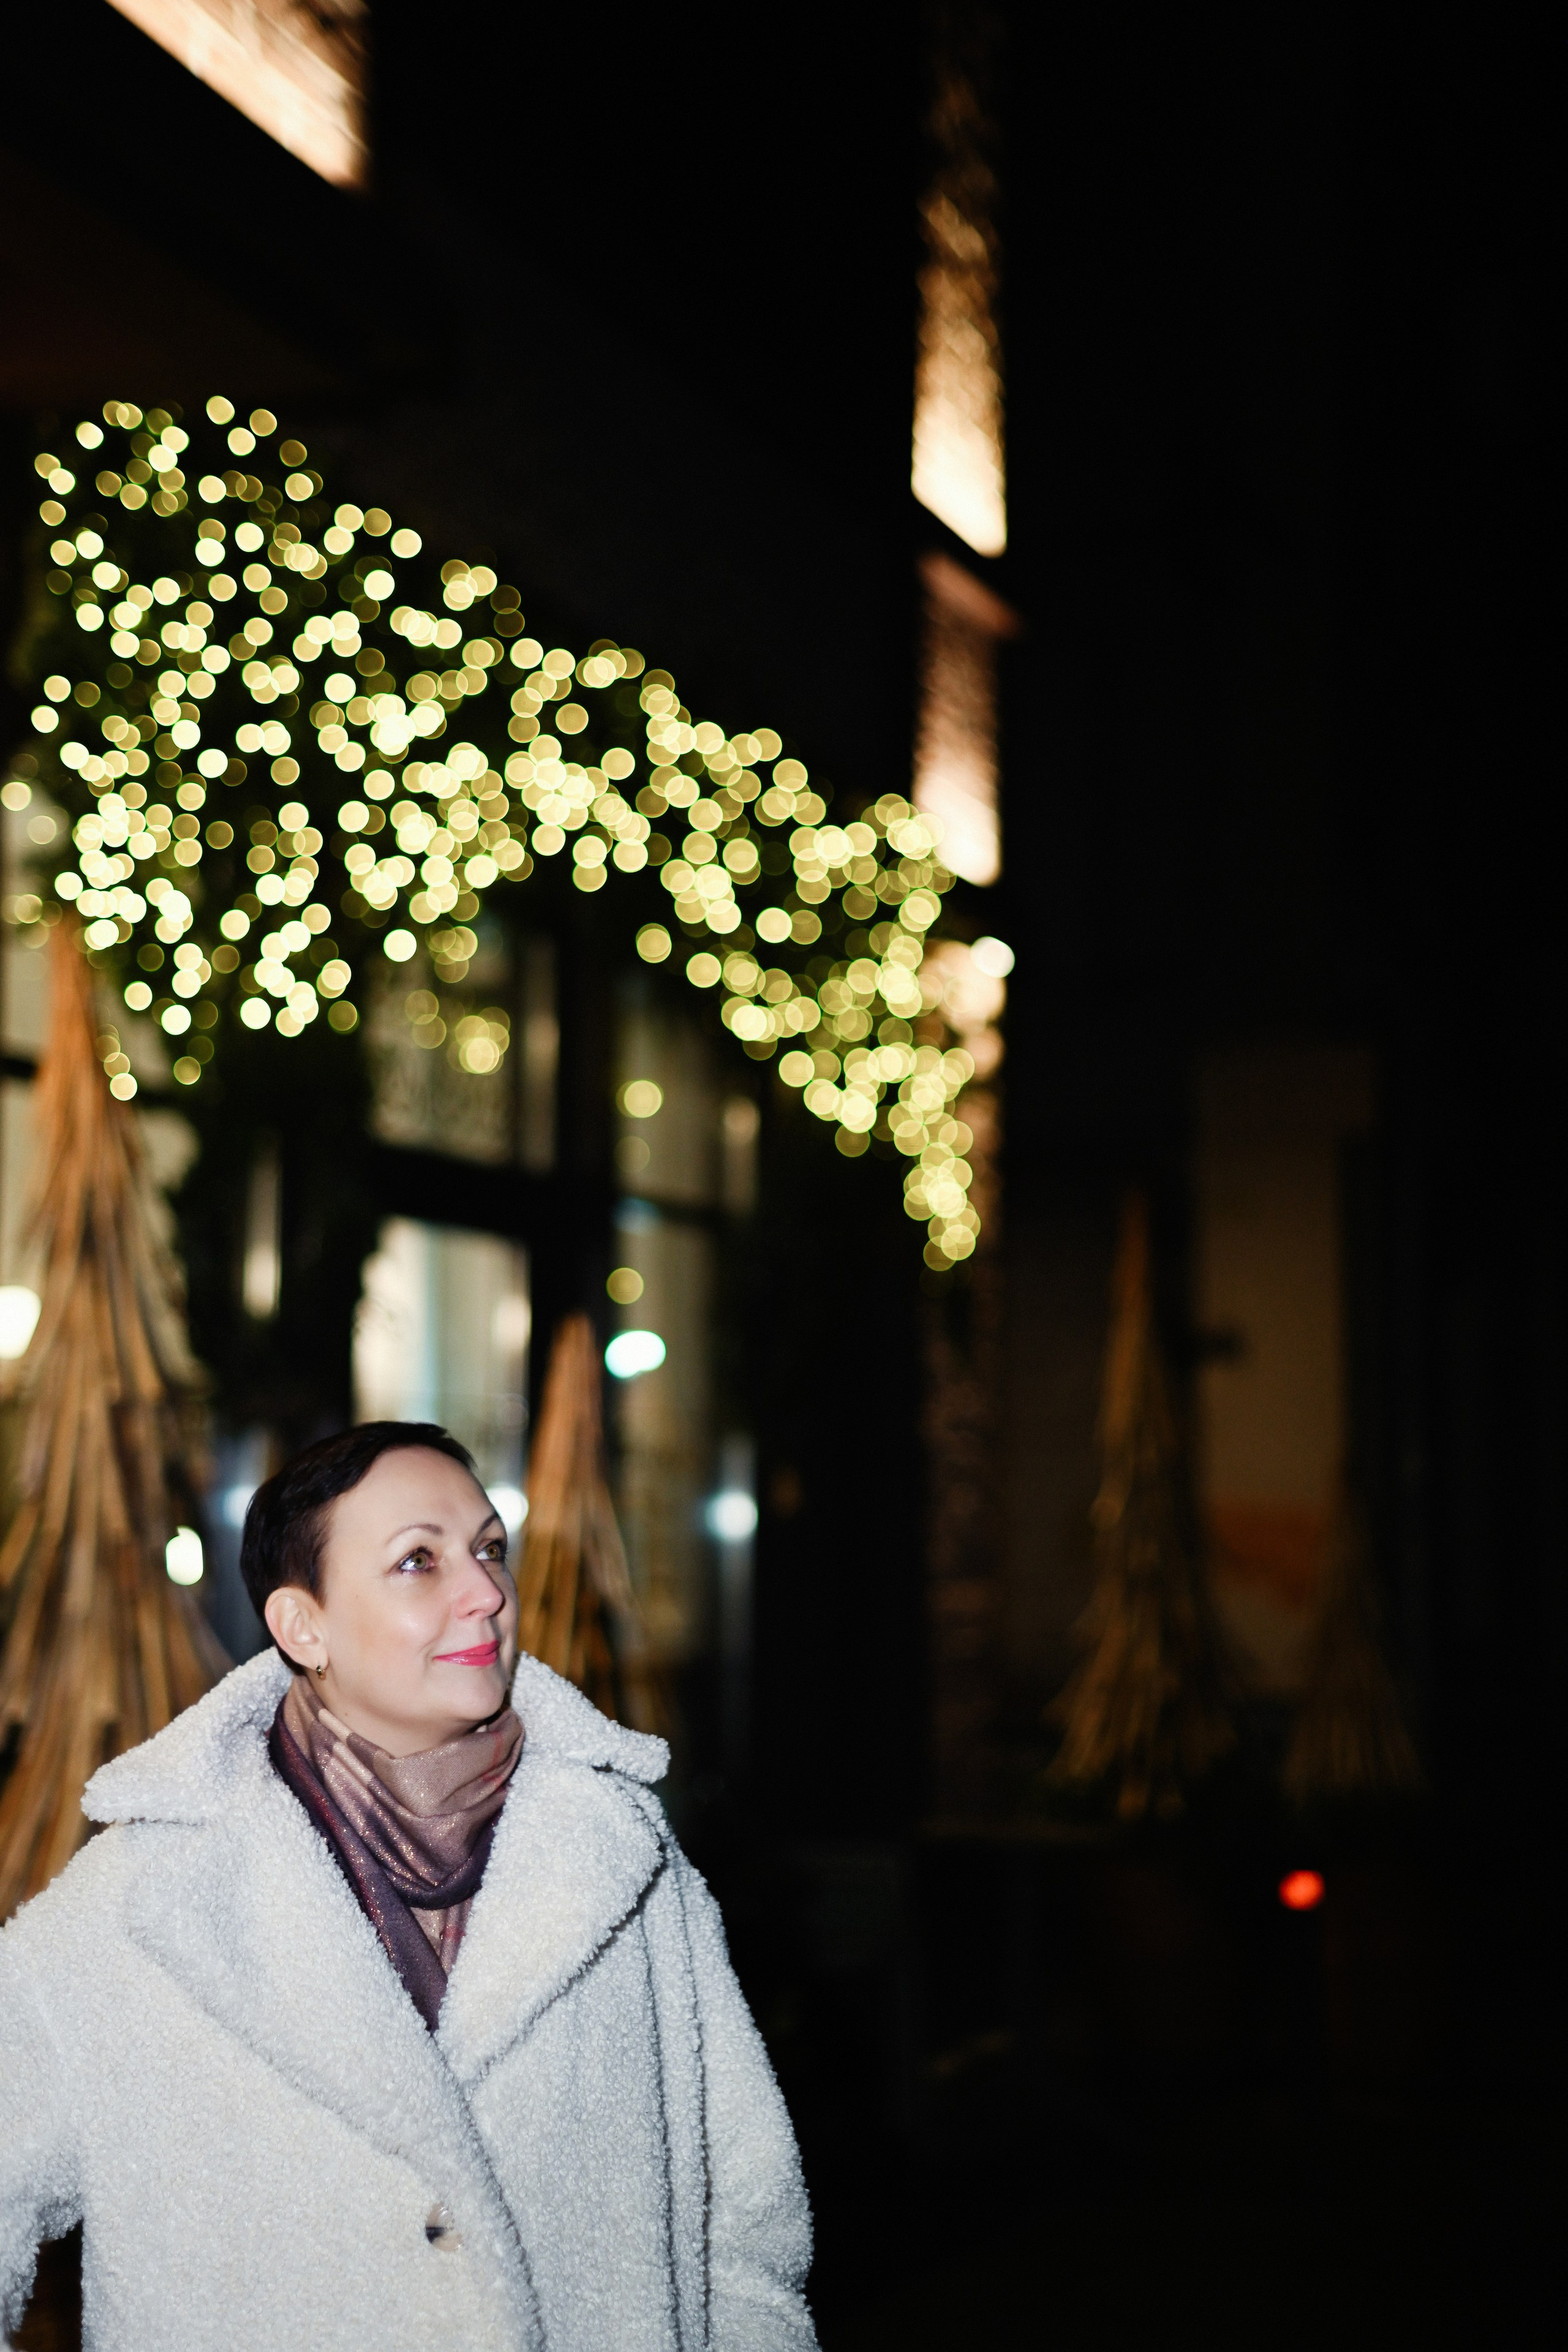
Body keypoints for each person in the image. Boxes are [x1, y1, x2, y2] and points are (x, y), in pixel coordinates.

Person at [0, 1422, 817, 2351]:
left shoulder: (620, 1857)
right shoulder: (151, 1896)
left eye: (488, 1550)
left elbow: (745, 2215)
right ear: (303, 1626)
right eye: (418, 1561)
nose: (485, 1593)